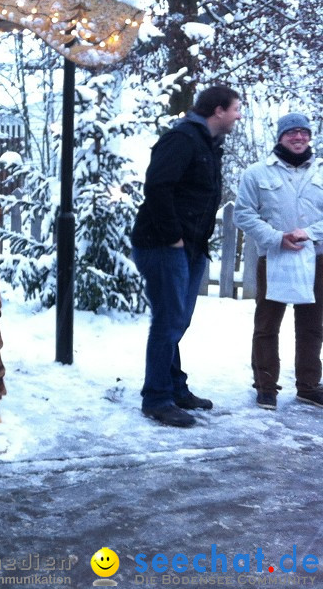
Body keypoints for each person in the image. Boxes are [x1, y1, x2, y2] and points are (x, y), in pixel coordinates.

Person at [130, 85, 242, 427]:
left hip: (190, 247)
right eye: (236, 109)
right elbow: (157, 187)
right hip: (162, 245)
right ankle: (157, 398)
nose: (238, 116)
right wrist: (173, 237)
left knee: (178, 321)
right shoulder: (182, 139)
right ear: (219, 110)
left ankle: (175, 388)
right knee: (169, 320)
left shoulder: (207, 144)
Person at [233, 112, 323, 411]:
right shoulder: (257, 173)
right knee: (267, 323)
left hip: (316, 258)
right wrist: (276, 238)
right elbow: (243, 213)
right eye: (291, 132)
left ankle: (308, 387)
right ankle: (265, 386)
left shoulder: (321, 171)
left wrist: (308, 233)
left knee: (312, 325)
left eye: (303, 132)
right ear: (281, 136)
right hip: (273, 257)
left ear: (309, 136)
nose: (298, 137)